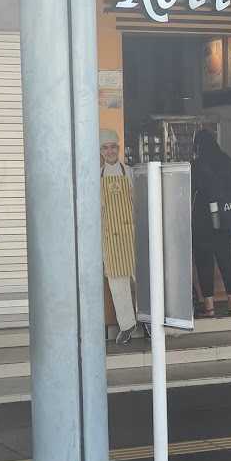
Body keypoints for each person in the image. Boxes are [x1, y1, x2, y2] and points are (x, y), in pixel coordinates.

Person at [192, 129, 231, 317]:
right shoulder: (227, 161)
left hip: (202, 221)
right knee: (226, 261)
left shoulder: (197, 165)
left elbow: (187, 190)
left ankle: (210, 308)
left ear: (197, 146)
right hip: (226, 219)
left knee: (204, 263)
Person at [100, 129, 137, 344]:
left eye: (113, 146)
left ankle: (148, 321)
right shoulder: (96, 177)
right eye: (105, 148)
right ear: (101, 152)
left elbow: (140, 206)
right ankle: (126, 325)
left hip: (131, 235)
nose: (110, 151)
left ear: (118, 148)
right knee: (117, 284)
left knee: (141, 283)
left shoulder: (130, 173)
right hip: (111, 238)